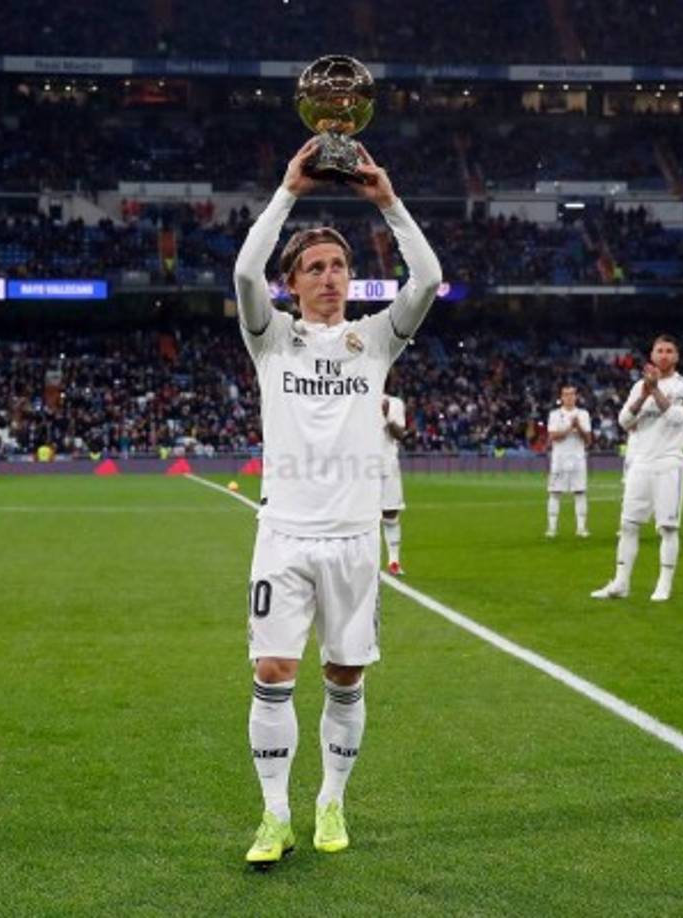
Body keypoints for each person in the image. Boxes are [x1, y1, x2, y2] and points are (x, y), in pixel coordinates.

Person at [233, 136, 442, 866]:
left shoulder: (374, 341)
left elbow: (429, 277)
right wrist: (288, 190)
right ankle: (273, 813)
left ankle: (331, 801)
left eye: (339, 266)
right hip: (284, 534)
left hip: (354, 538)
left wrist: (386, 201)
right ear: (291, 282)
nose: (329, 276)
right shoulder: (272, 340)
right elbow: (240, 271)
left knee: (344, 677)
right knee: (272, 674)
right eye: (314, 267)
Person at [591, 335, 683, 602]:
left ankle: (663, 584)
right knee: (628, 525)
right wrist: (642, 396)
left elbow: (676, 418)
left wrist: (656, 391)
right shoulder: (639, 385)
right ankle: (621, 583)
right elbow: (624, 421)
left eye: (669, 351)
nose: (663, 355)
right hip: (641, 463)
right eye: (659, 350)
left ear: (676, 356)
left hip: (669, 463)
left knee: (668, 528)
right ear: (652, 355)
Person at [545, 384, 593, 538]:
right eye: (566, 394)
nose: (569, 397)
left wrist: (578, 426)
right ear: (561, 397)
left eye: (572, 394)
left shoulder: (583, 414)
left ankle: (581, 528)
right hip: (559, 459)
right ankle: (552, 528)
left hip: (578, 458)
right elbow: (552, 436)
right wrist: (568, 428)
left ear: (576, 396)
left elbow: (588, 440)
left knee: (580, 492)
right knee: (554, 492)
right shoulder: (554, 414)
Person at [381, 389, 407, 575]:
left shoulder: (395, 403)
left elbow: (400, 435)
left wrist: (386, 416)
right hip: (360, 466)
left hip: (387, 464)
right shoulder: (354, 398)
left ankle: (394, 561)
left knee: (390, 513)